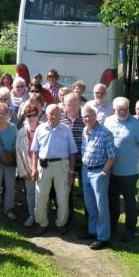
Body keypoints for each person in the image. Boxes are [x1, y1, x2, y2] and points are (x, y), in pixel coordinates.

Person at [104, 97, 139, 241]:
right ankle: (112, 225)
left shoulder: (136, 124)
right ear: (114, 109)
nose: (123, 112)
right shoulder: (108, 121)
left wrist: (131, 155)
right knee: (112, 199)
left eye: (125, 110)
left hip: (129, 171)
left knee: (129, 201)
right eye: (119, 110)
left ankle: (130, 229)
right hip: (111, 169)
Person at [30, 104, 78, 235]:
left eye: (57, 114)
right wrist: (33, 167)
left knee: (62, 197)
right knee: (40, 197)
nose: (54, 116)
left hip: (61, 166)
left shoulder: (66, 130)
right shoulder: (40, 128)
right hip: (43, 166)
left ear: (61, 115)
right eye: (51, 114)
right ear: (46, 115)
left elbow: (72, 152)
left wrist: (72, 171)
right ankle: (42, 223)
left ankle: (61, 224)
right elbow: (34, 150)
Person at [79, 106, 117, 249]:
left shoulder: (105, 133)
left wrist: (104, 172)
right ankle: (92, 231)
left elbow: (112, 156)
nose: (87, 119)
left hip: (99, 172)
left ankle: (103, 237)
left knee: (102, 206)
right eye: (84, 117)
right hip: (86, 170)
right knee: (90, 204)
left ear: (95, 115)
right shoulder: (85, 130)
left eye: (89, 116)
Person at [60, 92, 86, 229]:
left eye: (75, 104)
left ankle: (89, 222)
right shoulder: (60, 119)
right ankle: (67, 219)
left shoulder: (86, 117)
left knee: (86, 191)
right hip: (65, 161)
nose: (72, 106)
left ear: (80, 104)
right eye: (69, 104)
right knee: (66, 191)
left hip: (83, 161)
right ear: (64, 105)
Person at [16, 103, 42, 227]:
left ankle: (42, 217)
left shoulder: (44, 128)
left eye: (33, 115)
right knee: (30, 193)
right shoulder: (21, 132)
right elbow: (18, 153)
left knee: (42, 193)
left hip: (42, 167)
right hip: (27, 166)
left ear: (38, 115)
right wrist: (23, 171)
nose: (31, 118)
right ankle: (32, 215)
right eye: (28, 115)